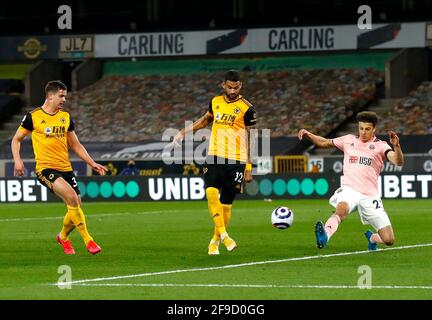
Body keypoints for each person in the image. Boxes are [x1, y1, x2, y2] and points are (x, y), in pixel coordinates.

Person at [11, 80, 107, 255]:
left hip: (66, 168)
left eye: (65, 96)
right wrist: (18, 160)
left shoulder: (65, 117)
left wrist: (91, 162)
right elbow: (16, 139)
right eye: (61, 96)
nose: (64, 99)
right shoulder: (33, 117)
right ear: (50, 96)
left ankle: (62, 237)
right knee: (72, 198)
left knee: (76, 203)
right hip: (45, 169)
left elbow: (75, 145)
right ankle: (89, 240)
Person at [173, 70, 257, 255]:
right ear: (223, 85)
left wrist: (249, 167)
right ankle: (225, 235)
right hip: (214, 156)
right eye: (229, 87)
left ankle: (215, 241)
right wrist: (182, 132)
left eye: (236, 87)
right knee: (211, 193)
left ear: (240, 86)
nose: (233, 90)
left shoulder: (247, 108)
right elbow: (205, 121)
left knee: (226, 203)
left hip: (237, 160)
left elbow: (250, 138)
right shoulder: (215, 102)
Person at [298, 111, 404, 251]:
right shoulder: (348, 140)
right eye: (361, 128)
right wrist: (308, 134)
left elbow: (398, 161)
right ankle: (325, 236)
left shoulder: (381, 146)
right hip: (350, 190)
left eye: (367, 129)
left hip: (370, 196)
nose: (363, 132)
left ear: (374, 129)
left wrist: (396, 146)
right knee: (341, 211)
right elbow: (324, 142)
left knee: (389, 240)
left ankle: (372, 238)